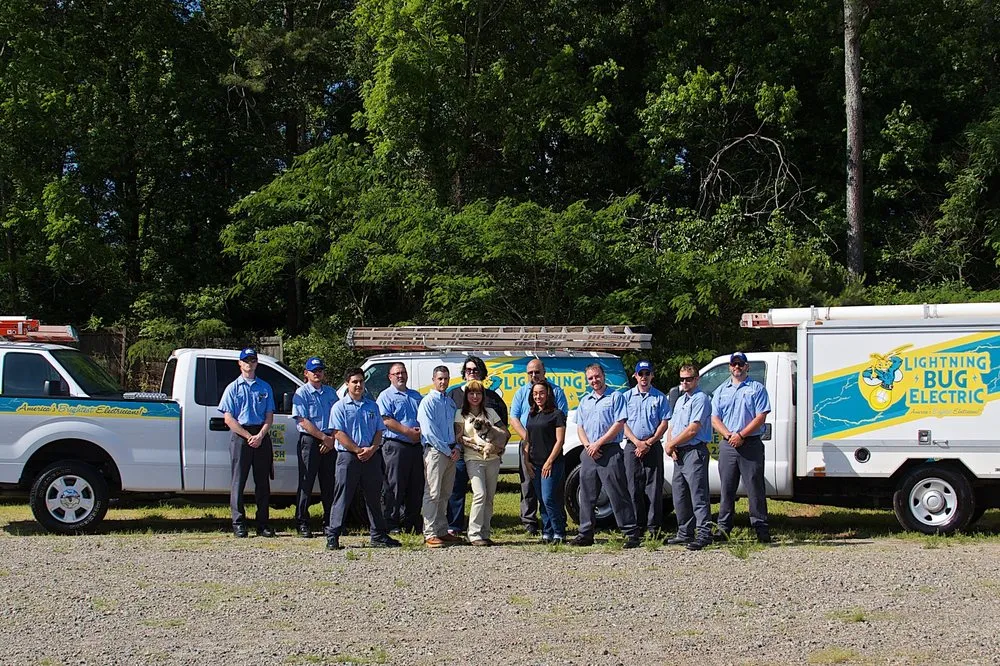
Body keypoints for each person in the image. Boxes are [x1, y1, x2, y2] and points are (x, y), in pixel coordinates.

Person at [326, 368, 401, 550]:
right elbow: (337, 432)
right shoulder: (339, 407)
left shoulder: (372, 406)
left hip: (371, 457)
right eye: (354, 382)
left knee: (374, 497)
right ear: (347, 384)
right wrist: (357, 450)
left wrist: (373, 448)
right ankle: (333, 535)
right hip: (348, 457)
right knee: (342, 496)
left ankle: (378, 535)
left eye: (361, 381)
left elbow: (378, 431)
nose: (358, 385)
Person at [571, 363, 641, 548]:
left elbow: (619, 424)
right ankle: (585, 534)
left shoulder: (616, 397)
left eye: (597, 376)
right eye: (591, 378)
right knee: (586, 495)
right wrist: (588, 445)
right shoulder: (585, 401)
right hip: (589, 452)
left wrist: (598, 443)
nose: (595, 380)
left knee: (617, 493)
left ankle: (630, 533)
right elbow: (580, 427)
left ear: (604, 375)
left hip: (609, 451)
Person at [712, 351, 773, 544]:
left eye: (740, 364)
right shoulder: (721, 390)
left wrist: (741, 435)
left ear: (747, 367)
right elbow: (714, 418)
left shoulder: (757, 388)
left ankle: (761, 529)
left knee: (755, 488)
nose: (736, 367)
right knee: (726, 489)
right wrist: (730, 435)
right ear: (729, 367)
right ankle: (723, 528)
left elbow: (761, 416)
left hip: (750, 444)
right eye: (734, 364)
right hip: (728, 444)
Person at [447, 356, 508, 536]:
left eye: (475, 370)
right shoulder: (454, 395)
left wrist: (498, 446)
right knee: (457, 489)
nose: (472, 373)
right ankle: (455, 526)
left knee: (486, 495)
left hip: (490, 455)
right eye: (468, 370)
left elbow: (503, 429)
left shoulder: (493, 399)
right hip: (462, 453)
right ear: (464, 374)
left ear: (482, 373)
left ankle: (484, 530)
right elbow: (454, 430)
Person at [219, 347, 275, 538]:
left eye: (252, 360)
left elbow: (269, 416)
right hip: (241, 437)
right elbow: (229, 419)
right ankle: (239, 523)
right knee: (238, 482)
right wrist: (247, 436)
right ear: (239, 363)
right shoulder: (232, 388)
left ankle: (263, 524)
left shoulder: (265, 387)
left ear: (256, 363)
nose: (249, 364)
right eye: (246, 360)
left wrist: (259, 436)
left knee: (262, 483)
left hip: (261, 435)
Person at [509, 359, 568, 536]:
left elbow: (561, 421)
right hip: (529, 448)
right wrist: (528, 440)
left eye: (537, 372)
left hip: (550, 449)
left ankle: (558, 528)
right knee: (531, 490)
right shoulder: (522, 394)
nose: (534, 375)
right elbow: (514, 418)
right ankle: (536, 525)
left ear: (544, 372)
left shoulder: (556, 392)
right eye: (530, 373)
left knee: (551, 494)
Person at [664, 364, 714, 550]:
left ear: (697, 379)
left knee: (698, 495)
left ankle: (704, 533)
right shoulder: (680, 400)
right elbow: (672, 425)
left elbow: (693, 429)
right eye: (682, 379)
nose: (685, 382)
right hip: (679, 453)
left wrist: (672, 444)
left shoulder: (701, 399)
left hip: (694, 451)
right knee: (680, 494)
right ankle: (684, 532)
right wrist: (670, 444)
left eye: (689, 378)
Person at [622, 360, 671, 538]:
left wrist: (649, 443)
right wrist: (636, 442)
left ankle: (654, 527)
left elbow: (664, 422)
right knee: (632, 487)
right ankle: (636, 526)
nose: (644, 377)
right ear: (635, 376)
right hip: (631, 446)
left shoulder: (660, 397)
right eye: (640, 374)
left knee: (654, 488)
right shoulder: (626, 397)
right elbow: (622, 422)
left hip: (652, 446)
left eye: (647, 373)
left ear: (652, 375)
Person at [291, 356, 338, 538]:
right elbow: (302, 420)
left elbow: (338, 418)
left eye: (320, 370)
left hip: (329, 441)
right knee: (306, 483)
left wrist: (331, 438)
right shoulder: (301, 394)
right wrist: (323, 437)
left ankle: (329, 523)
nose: (317, 373)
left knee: (329, 484)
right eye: (313, 371)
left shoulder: (331, 393)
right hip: (310, 441)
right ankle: (302, 522)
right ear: (306, 373)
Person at [376, 362, 424, 534]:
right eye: (396, 373)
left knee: (416, 486)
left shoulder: (415, 396)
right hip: (395, 446)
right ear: (390, 377)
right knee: (394, 486)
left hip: (416, 447)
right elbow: (385, 420)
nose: (400, 376)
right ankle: (391, 523)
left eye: (403, 372)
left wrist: (420, 431)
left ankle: (412, 523)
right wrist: (407, 431)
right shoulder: (386, 396)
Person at [418, 366, 461, 548]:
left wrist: (456, 447)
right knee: (433, 493)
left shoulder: (450, 403)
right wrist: (446, 449)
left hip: (450, 452)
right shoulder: (427, 402)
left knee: (445, 493)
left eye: (446, 378)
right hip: (436, 452)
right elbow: (429, 432)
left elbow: (456, 429)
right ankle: (429, 533)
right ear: (434, 379)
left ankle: (442, 530)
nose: (443, 382)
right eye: (440, 378)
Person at [523, 382, 567, 544]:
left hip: (552, 464)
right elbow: (527, 440)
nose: (538, 396)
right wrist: (526, 461)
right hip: (535, 464)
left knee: (549, 498)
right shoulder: (532, 414)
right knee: (542, 499)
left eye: (541, 393)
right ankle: (547, 532)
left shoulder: (557, 414)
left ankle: (559, 531)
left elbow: (560, 440)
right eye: (535, 393)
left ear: (548, 394)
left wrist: (549, 462)